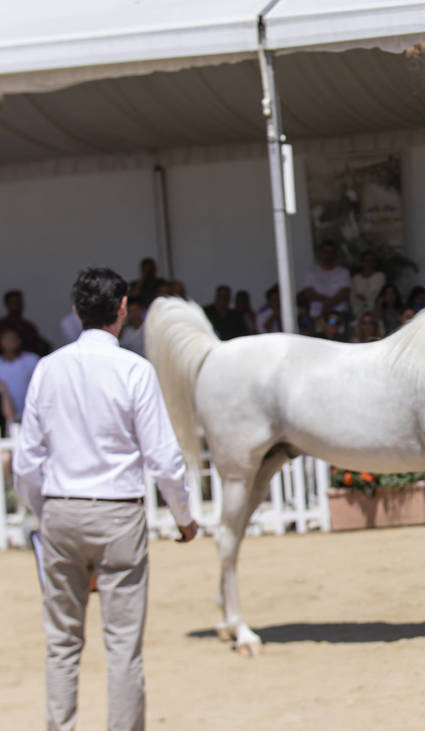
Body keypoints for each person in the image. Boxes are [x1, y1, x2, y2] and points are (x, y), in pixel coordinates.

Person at [13, 267, 198, 730]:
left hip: (60, 508)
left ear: (76, 311)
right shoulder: (134, 370)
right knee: (122, 648)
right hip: (117, 514)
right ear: (122, 310)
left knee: (61, 644)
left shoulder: (48, 368)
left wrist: (43, 513)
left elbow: (26, 462)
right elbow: (163, 456)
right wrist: (184, 517)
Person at [301, 240, 351, 319]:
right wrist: (326, 300)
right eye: (325, 252)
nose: (328, 255)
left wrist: (327, 305)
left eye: (331, 252)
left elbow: (344, 293)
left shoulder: (343, 272)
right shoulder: (311, 273)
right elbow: (308, 293)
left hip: (340, 314)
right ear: (320, 253)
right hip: (316, 315)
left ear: (335, 253)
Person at [0, 327, 40, 418]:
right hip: (6, 416)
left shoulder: (32, 360)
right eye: (6, 339)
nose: (10, 342)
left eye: (13, 339)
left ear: (19, 341)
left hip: (31, 414)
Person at [0, 289, 48, 355]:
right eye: (13, 302)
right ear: (7, 304)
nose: (17, 305)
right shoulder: (2, 325)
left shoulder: (28, 326)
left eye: (19, 302)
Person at [351, 252, 386, 318]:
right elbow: (353, 295)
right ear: (362, 262)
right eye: (366, 260)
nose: (369, 263)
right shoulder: (356, 278)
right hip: (358, 312)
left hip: (376, 312)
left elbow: (379, 293)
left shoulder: (380, 276)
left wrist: (366, 299)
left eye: (371, 260)